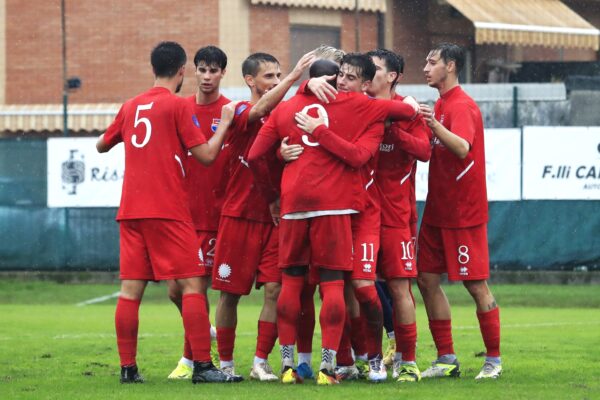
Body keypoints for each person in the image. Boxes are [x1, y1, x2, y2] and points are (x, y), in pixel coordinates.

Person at [248, 58, 418, 385]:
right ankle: (330, 367)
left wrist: (274, 192)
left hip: (305, 206)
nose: (342, 82)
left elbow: (256, 155)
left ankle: (291, 366)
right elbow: (406, 115)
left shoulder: (288, 109)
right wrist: (409, 104)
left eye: (350, 77)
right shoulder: (354, 105)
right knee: (333, 285)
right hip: (335, 208)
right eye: (340, 76)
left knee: (300, 284)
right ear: (331, 78)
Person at [96, 41, 240, 384]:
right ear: (181, 72)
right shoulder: (176, 106)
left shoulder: (131, 106)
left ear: (153, 69)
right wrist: (224, 124)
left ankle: (128, 369)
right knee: (192, 285)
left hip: (131, 211)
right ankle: (204, 367)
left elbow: (101, 144)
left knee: (131, 291)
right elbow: (205, 155)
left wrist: (125, 136)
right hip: (167, 209)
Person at [211, 51, 314, 381]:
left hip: (275, 218)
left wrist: (284, 155)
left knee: (275, 290)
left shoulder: (286, 114)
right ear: (250, 81)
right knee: (230, 294)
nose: (276, 80)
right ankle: (225, 364)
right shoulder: (239, 110)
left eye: (279, 74)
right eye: (269, 76)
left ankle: (260, 361)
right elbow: (260, 110)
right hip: (239, 215)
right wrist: (294, 76)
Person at [418, 42, 502, 380]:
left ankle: (493, 360)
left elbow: (463, 148)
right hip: (437, 211)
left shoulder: (462, 106)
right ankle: (446, 358)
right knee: (425, 279)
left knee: (476, 286)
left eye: (432, 61)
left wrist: (433, 126)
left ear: (450, 66)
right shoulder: (439, 104)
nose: (425, 67)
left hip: (462, 213)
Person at [366, 49, 431, 383]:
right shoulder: (357, 106)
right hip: (359, 216)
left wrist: (392, 130)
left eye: (374, 68)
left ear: (392, 76)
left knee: (399, 288)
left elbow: (424, 151)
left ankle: (408, 361)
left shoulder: (409, 110)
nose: (367, 73)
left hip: (395, 217)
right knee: (355, 288)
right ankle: (361, 359)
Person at [167, 45, 230, 380]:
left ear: (223, 73)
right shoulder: (181, 108)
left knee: (198, 287)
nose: (207, 77)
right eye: (202, 70)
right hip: (184, 213)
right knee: (176, 290)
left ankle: (192, 359)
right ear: (194, 71)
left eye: (213, 70)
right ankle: (205, 336)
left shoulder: (230, 111)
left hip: (218, 213)